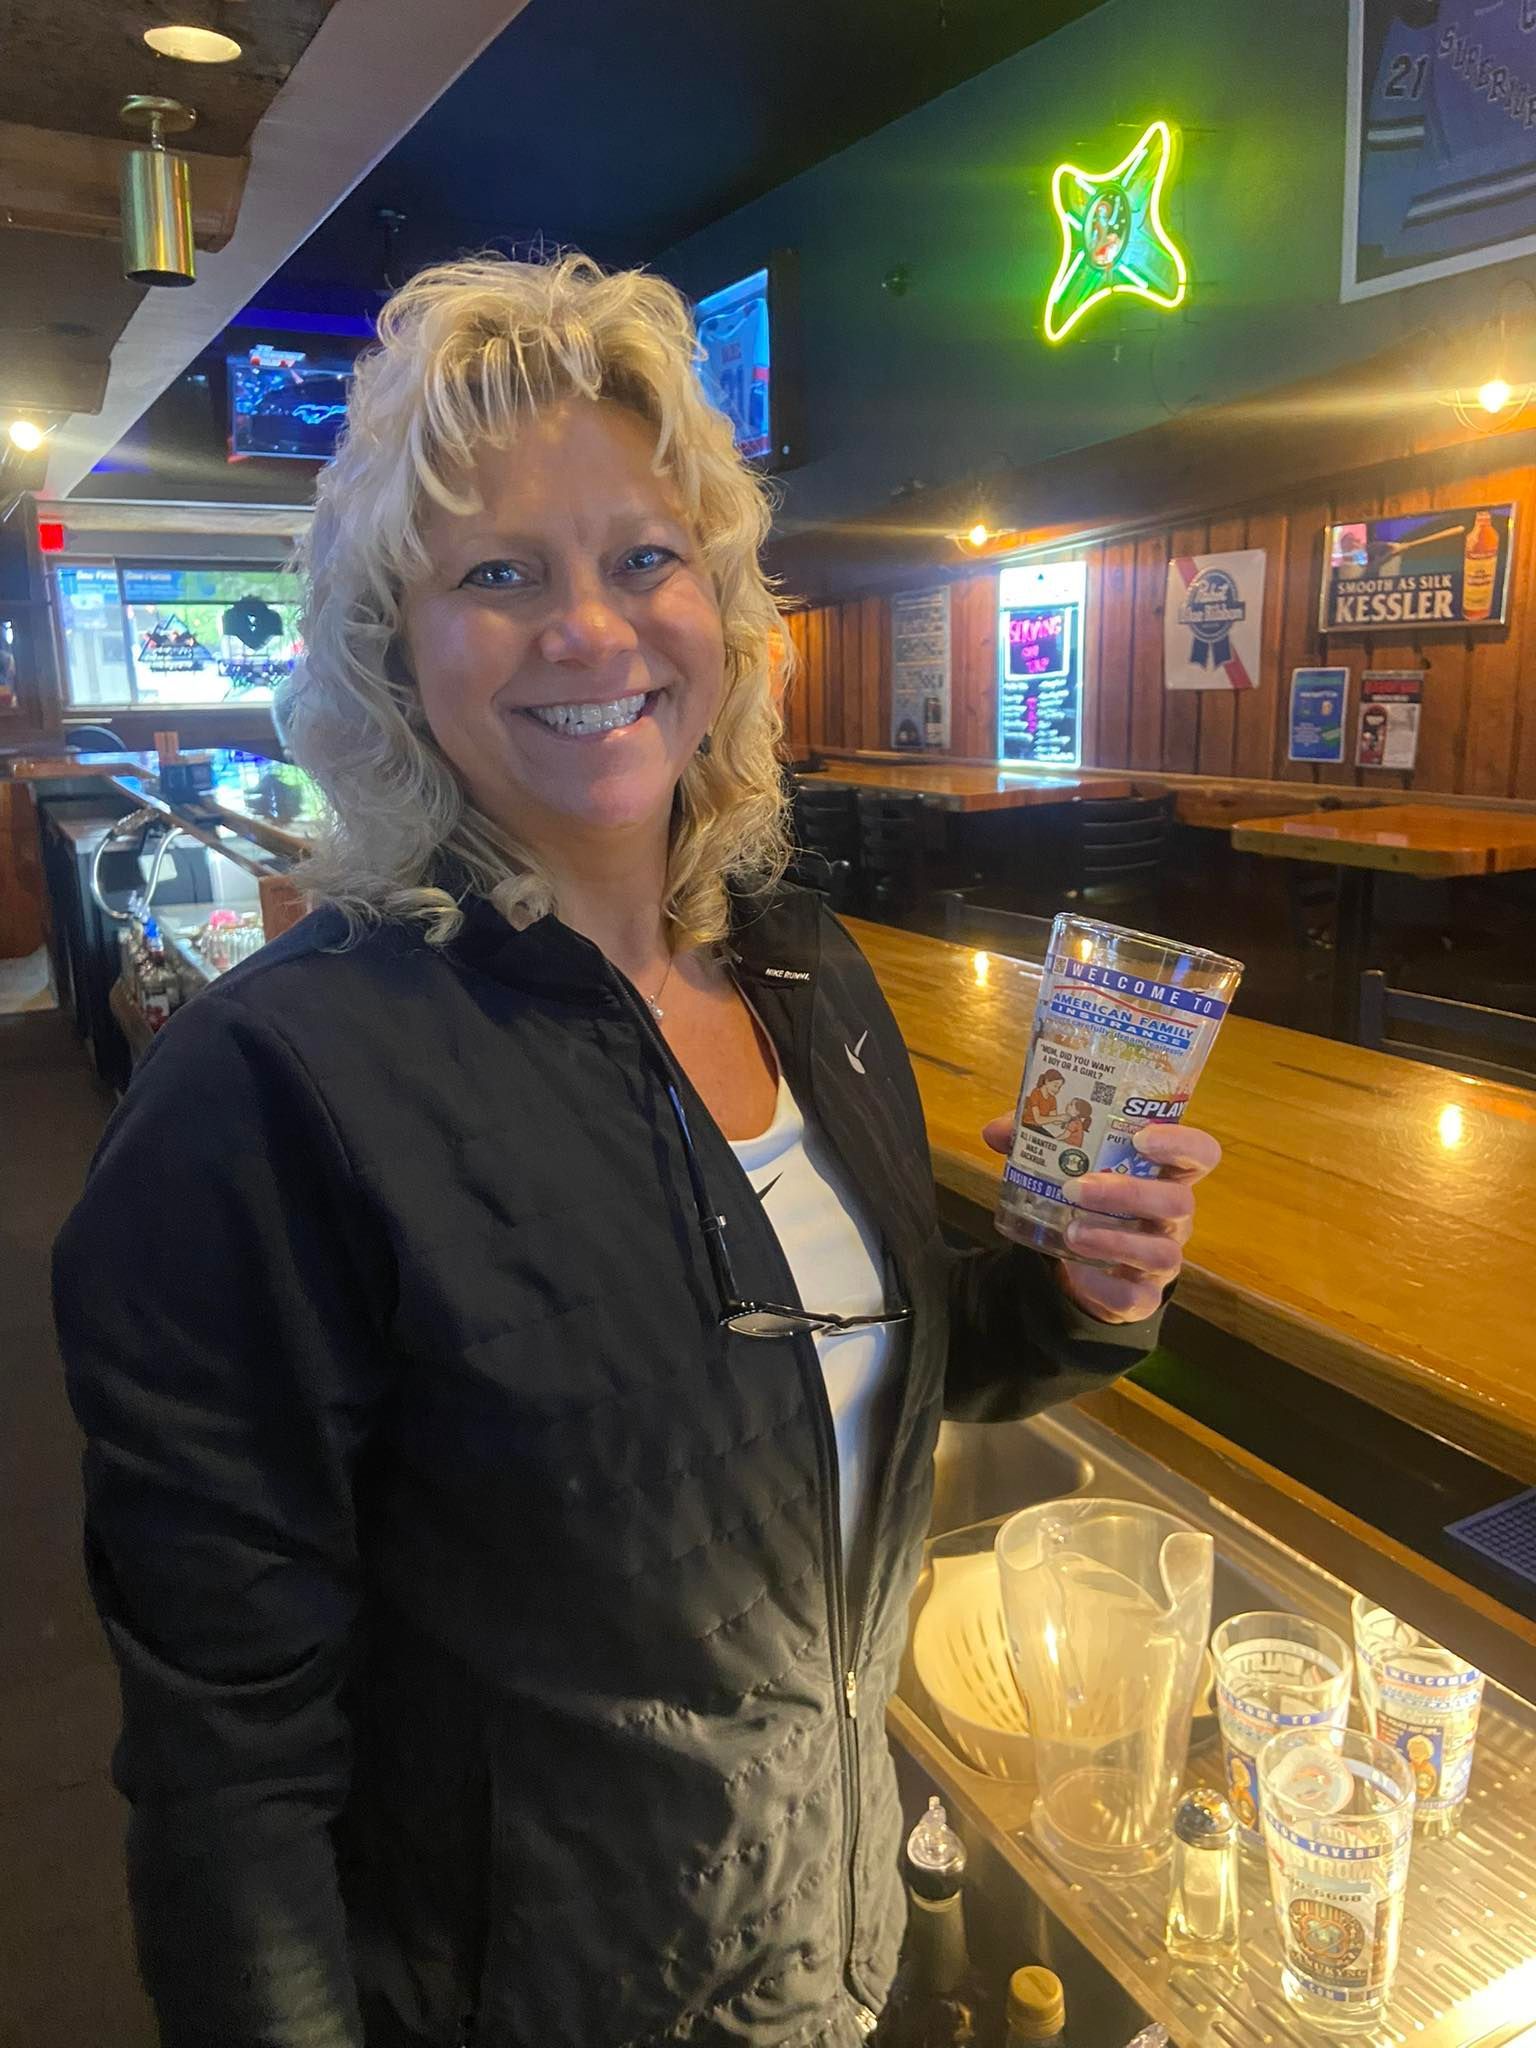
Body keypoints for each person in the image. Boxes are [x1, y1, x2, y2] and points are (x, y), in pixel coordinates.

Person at [53, 254, 1220, 2048]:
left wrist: (1072, 1295)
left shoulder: (805, 972)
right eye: (499, 574)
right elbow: (228, 1770)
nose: (590, 632)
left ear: (725, 615)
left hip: (822, 1936)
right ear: (394, 647)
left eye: (644, 559)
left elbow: (854, 1374)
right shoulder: (267, 1091)